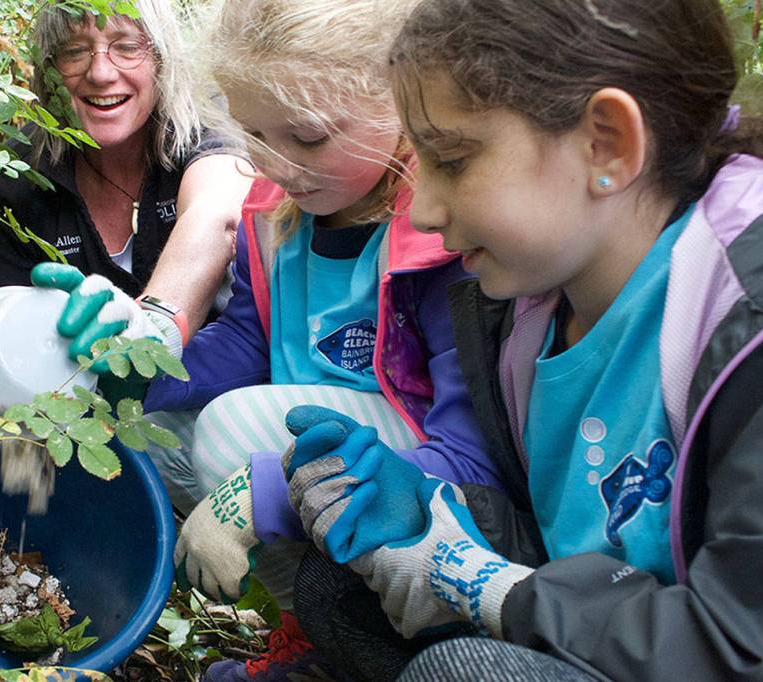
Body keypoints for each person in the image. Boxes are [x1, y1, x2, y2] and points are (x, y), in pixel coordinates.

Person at [283, 0, 763, 680]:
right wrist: (431, 511)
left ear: (607, 144)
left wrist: (484, 586)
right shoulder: (528, 302)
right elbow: (574, 541)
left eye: (452, 159)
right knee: (334, 585)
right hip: (617, 630)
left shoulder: (746, 314)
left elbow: (742, 643)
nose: (422, 210)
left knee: (463, 672)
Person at [34, 0, 502, 678]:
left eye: (308, 136)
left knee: (230, 428)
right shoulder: (274, 212)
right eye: (252, 133)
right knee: (142, 428)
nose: (277, 164)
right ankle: (314, 630)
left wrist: (267, 491)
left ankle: (394, 634)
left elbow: (476, 461)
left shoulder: (437, 235)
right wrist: (139, 364)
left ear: (400, 100)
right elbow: (249, 343)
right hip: (326, 454)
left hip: (427, 487)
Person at [0, 0, 252, 343]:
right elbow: (7, 337)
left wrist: (155, 330)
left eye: (128, 47)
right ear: (50, 70)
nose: (101, 73)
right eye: (75, 51)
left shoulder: (207, 121)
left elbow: (216, 214)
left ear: (162, 60)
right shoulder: (15, 175)